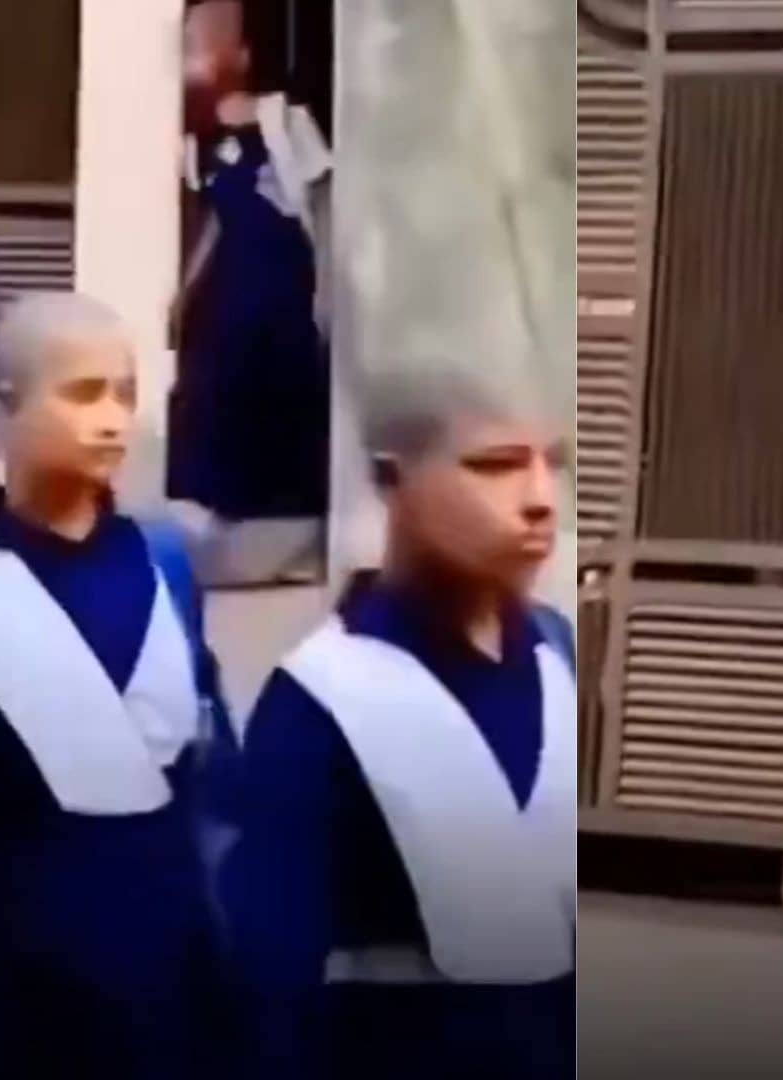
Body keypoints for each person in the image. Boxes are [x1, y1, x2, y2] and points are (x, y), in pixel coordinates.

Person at [0, 293, 233, 1079]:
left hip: (170, 939)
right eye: (82, 394)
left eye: (125, 394)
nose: (112, 419)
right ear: (4, 415)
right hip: (23, 959)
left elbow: (212, 758)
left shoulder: (165, 563)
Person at [222, 365, 574, 1080]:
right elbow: (269, 992)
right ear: (392, 480)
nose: (540, 499)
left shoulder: (558, 653)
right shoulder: (321, 696)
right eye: (495, 466)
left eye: (554, 463)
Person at [167, 0, 333, 585]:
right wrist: (183, 295)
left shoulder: (283, 120)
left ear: (239, 54)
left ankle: (290, 531)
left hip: (281, 287)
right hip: (225, 297)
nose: (192, 62)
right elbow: (201, 225)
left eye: (203, 46)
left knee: (285, 396)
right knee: (217, 396)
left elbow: (321, 206)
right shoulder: (188, 140)